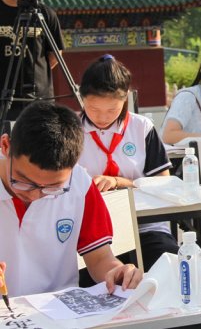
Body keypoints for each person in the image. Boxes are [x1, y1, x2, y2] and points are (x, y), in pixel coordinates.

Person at [0, 101, 142, 297]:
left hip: (59, 311)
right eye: (23, 180)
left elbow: (100, 257)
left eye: (52, 187)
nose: (34, 195)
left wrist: (116, 272)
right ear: (6, 146)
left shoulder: (79, 185)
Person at [77, 55, 177, 268]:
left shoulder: (142, 128)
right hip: (90, 232)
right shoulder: (70, 131)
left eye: (112, 110)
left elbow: (163, 186)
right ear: (82, 98)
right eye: (93, 109)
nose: (103, 118)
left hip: (144, 226)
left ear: (126, 99)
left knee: (169, 268)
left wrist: (120, 182)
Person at [0, 0, 65, 121]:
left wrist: (32, 70)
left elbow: (55, 54)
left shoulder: (45, 13)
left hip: (39, 99)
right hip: (2, 99)